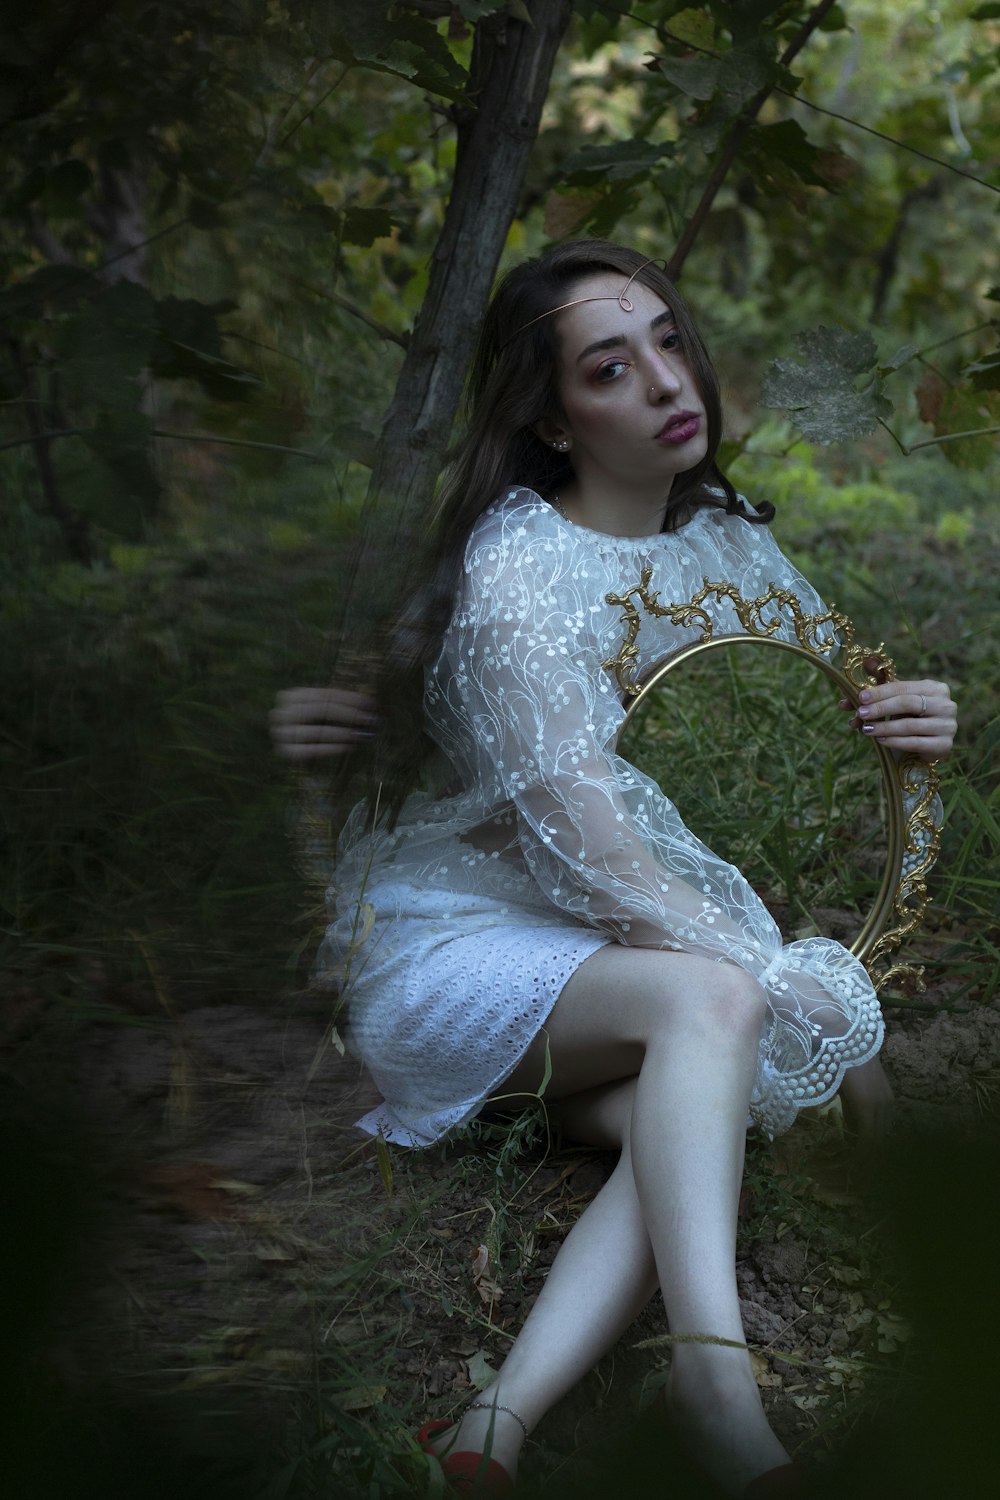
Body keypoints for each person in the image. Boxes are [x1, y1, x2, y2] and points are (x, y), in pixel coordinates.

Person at [271, 241, 957, 1497]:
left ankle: (493, 1425)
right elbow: (600, 865)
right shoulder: (516, 573)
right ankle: (714, 1386)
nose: (661, 379)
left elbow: (832, 697)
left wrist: (914, 728)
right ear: (547, 415)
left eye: (666, 342)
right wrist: (830, 1012)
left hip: (595, 980)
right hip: (454, 956)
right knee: (718, 1002)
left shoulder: (724, 544)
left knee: (679, 1118)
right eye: (609, 365)